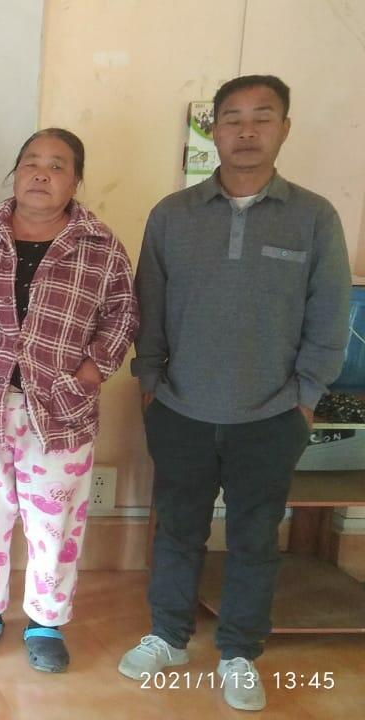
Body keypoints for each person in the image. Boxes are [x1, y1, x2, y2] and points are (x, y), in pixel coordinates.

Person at [120, 75, 350, 711]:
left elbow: (329, 318)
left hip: (272, 415)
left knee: (255, 538)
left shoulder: (314, 217)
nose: (246, 131)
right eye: (232, 119)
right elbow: (149, 309)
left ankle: (240, 652)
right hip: (180, 409)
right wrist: (150, 385)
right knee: (177, 530)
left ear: (284, 129)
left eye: (262, 117)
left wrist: (305, 400)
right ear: (214, 131)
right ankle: (169, 635)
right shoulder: (172, 215)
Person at [0, 129, 138, 672]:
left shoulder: (99, 244)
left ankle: (46, 621)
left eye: (57, 166)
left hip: (60, 409)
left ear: (76, 180)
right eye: (31, 162)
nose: (41, 174)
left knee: (56, 523)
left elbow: (123, 314)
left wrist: (91, 372)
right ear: (15, 172)